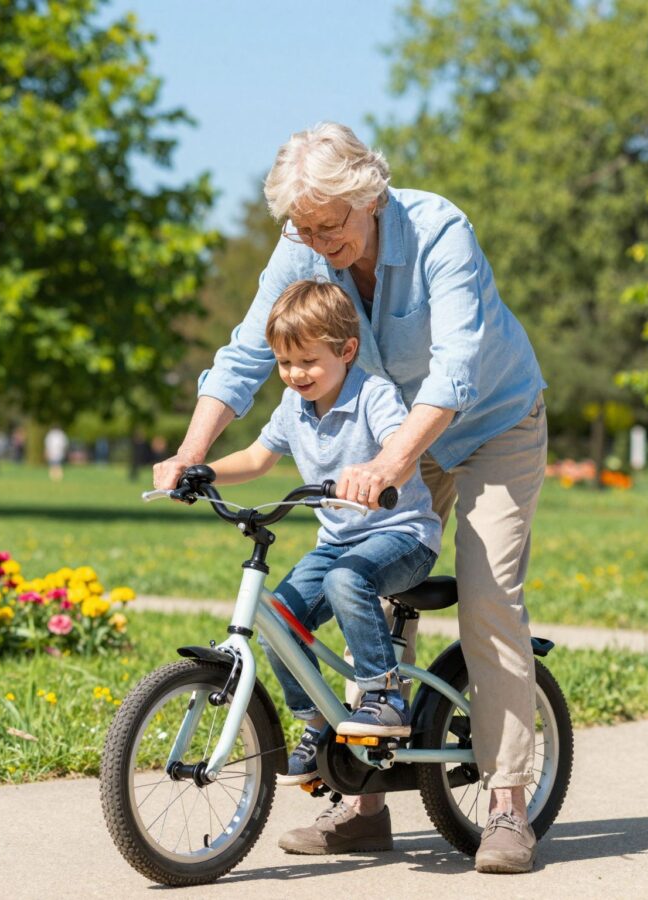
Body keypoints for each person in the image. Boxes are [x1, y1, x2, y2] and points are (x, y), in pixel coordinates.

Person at [154, 122, 548, 874]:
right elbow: (245, 353)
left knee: (488, 594)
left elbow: (456, 368)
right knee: (365, 581)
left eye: (328, 225)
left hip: (491, 419)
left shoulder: (439, 232)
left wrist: (390, 465)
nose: (315, 240)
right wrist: (191, 451)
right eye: (300, 226)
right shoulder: (303, 243)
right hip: (394, 427)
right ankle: (365, 802)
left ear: (369, 197)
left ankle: (505, 804)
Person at [205, 279, 441, 786]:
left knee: (345, 581)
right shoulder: (291, 407)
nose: (295, 375)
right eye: (285, 364)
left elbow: (399, 452)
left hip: (402, 534)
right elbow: (256, 457)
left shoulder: (374, 394)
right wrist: (202, 471)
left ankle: (384, 694)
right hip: (338, 541)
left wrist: (376, 473)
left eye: (308, 361)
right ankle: (316, 726)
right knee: (279, 617)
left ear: (347, 351)